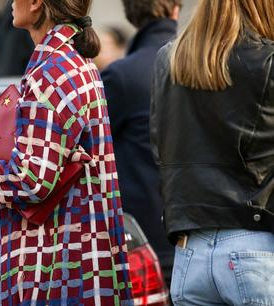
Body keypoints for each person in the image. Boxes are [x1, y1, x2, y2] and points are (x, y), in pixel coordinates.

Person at [0, 0, 134, 304]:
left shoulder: (50, 72)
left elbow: (32, 179)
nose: (11, 3)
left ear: (37, 3)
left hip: (51, 266)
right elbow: (47, 156)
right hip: (78, 256)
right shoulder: (73, 61)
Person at [150, 0, 274, 304]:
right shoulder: (268, 61)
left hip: (190, 248)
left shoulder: (170, 59)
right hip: (255, 242)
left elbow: (160, 148)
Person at [101, 0, 181, 286]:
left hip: (145, 239)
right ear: (175, 10)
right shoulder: (204, 65)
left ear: (130, 14)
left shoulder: (122, 75)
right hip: (200, 234)